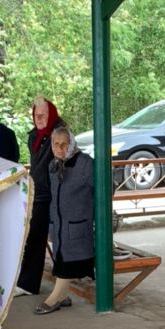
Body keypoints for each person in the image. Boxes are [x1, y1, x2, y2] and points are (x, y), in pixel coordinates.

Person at [36, 124, 94, 315]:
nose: (60, 148)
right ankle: (63, 295)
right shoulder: (53, 165)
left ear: (72, 144)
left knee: (66, 263)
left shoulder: (85, 163)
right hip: (59, 226)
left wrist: (91, 212)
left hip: (77, 225)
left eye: (64, 144)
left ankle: (56, 296)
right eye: (56, 144)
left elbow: (105, 189)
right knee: (60, 259)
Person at [17, 95, 61, 295]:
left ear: (52, 115)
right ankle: (28, 283)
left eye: (44, 115)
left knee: (46, 236)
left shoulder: (59, 133)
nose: (40, 118)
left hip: (55, 192)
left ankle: (34, 284)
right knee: (33, 236)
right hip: (39, 191)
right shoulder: (35, 135)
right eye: (37, 115)